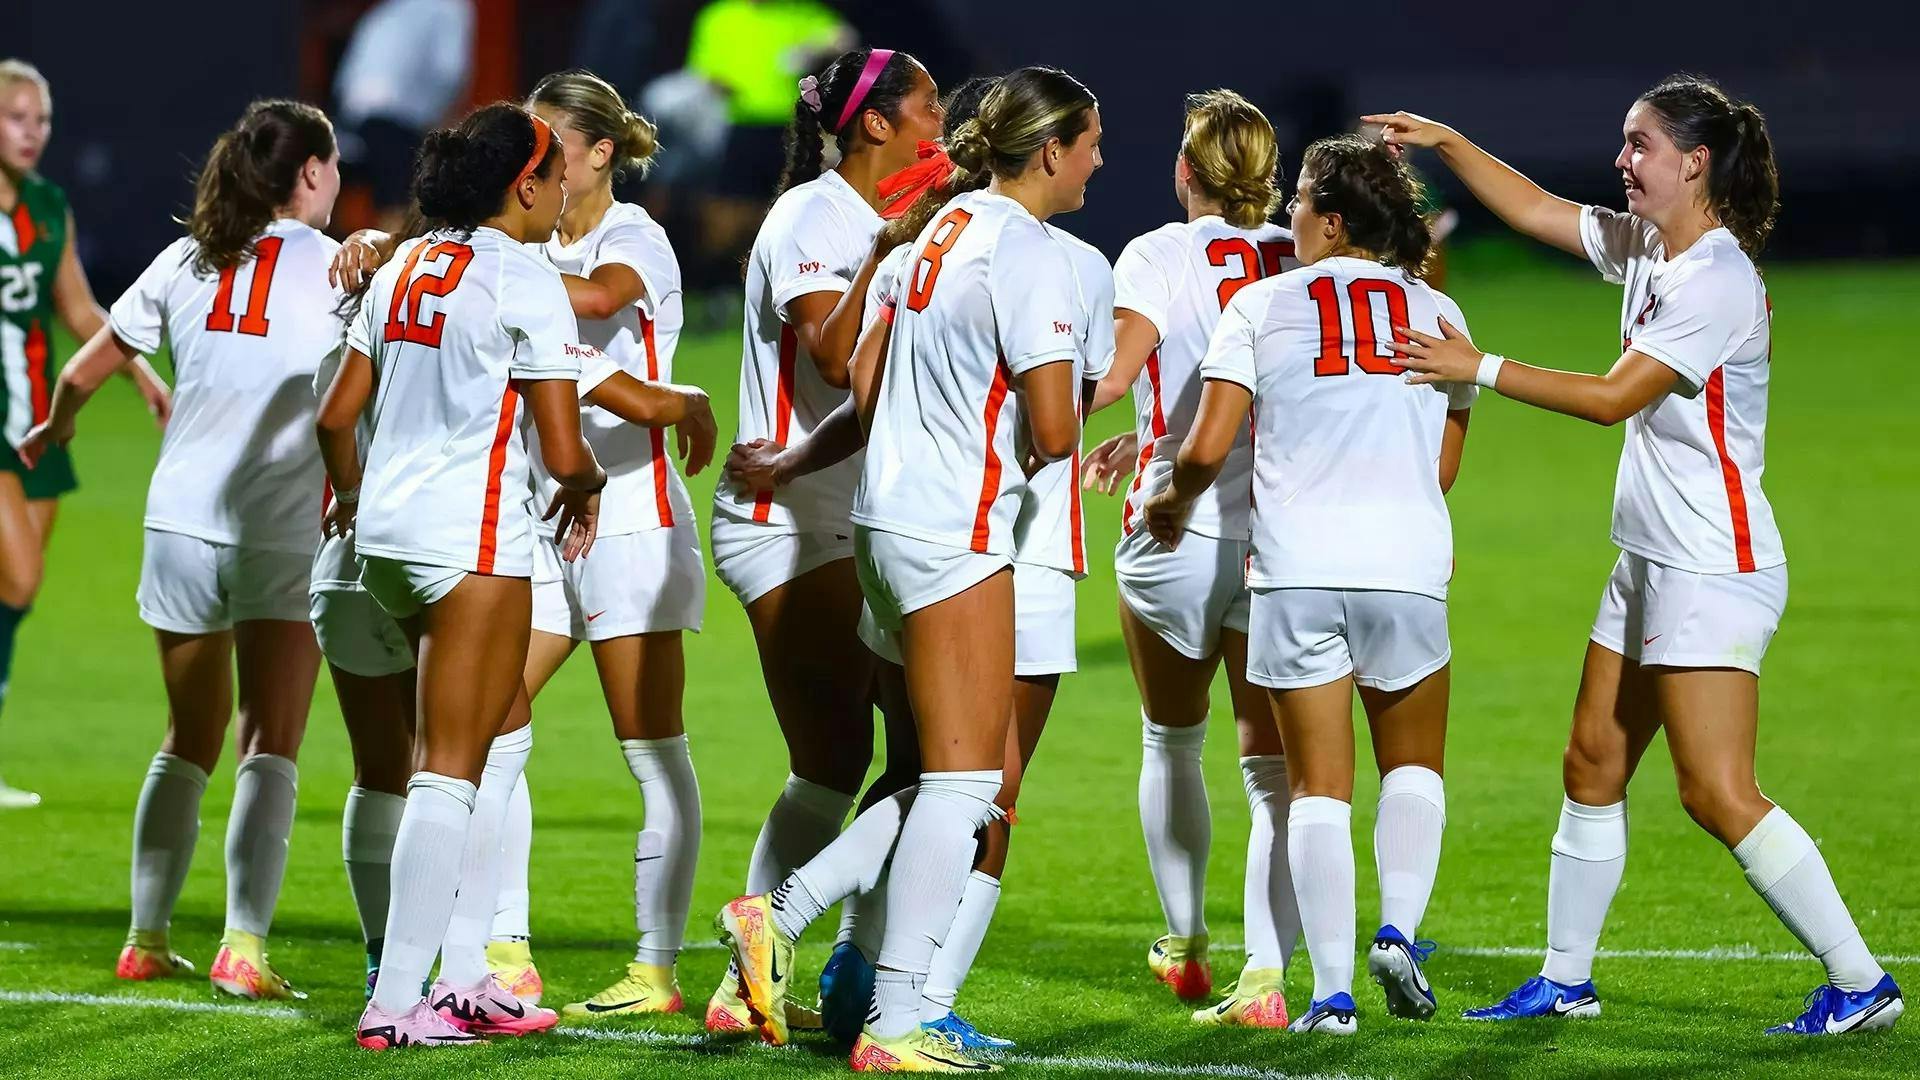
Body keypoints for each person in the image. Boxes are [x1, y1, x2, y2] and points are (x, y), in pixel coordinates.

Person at [1370, 75, 1904, 1036]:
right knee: (1592, 764)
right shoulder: (1654, 248)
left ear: (1694, 161)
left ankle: (1862, 982)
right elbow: (1536, 207)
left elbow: (1616, 396)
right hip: (1651, 559)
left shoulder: (1718, 279)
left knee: (1715, 790)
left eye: (1640, 144)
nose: (1623, 161)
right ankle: (1566, 982)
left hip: (1711, 563)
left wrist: (1474, 367)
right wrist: (1449, 143)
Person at [715, 65, 1099, 1073]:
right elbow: (1056, 430)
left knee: (932, 769)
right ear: (1050, 151)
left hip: (879, 530)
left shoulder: (921, 235)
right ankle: (895, 1022)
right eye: (1090, 142)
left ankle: (782, 912)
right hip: (955, 533)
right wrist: (1042, 414)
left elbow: (867, 389)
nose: (1099, 161)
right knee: (969, 784)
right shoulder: (1027, 252)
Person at [1143, 133, 1476, 1036]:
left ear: (1331, 222)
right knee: (1413, 769)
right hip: (1406, 570)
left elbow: (1208, 449)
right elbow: (1442, 468)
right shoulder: (1440, 317)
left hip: (1293, 576)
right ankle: (1398, 932)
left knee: (1317, 787)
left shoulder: (1260, 306)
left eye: (1297, 206)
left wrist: (1171, 503)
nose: (1285, 218)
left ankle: (1330, 995)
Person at [20, 100, 338, 998]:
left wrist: (55, 423)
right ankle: (243, 945)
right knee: (270, 740)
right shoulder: (340, 266)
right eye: (335, 163)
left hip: (178, 524)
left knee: (187, 737)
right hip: (278, 526)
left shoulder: (192, 255)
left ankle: (146, 936)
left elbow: (94, 358)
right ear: (311, 173)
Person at [321, 102, 605, 1050]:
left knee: (500, 739)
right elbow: (565, 452)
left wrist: (358, 496)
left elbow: (335, 418)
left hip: (387, 538)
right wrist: (590, 482)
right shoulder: (526, 277)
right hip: (470, 543)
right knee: (448, 768)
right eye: (556, 172)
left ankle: (469, 975)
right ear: (524, 185)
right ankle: (399, 1003)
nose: (566, 186)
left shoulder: (403, 261)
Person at [704, 44, 942, 1034]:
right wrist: (893, 251)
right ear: (876, 123)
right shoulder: (815, 216)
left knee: (901, 756)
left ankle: (785, 978)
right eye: (928, 107)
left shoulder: (889, 217)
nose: (943, 123)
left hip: (851, 517)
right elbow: (842, 360)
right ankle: (773, 966)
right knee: (857, 761)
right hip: (790, 520)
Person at [1079, 88, 1302, 1024]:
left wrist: (1042, 418)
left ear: (1186, 171)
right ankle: (1266, 974)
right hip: (1278, 535)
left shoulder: (1156, 253)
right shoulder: (1302, 255)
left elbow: (1121, 373)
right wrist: (1153, 431)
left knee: (1171, 739)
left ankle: (1185, 941)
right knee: (1273, 767)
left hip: (1173, 530)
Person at [511, 69, 718, 1019]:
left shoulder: (636, 237)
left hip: (632, 512)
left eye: (551, 138)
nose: (535, 154)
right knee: (490, 721)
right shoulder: (521, 239)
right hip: (543, 512)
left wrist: (491, 256)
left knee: (651, 749)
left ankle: (656, 968)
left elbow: (596, 302)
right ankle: (502, 946)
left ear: (599, 151)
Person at [0, 59, 170, 808]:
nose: (32, 133)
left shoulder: (47, 205)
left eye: (41, 120)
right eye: (16, 118)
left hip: (38, 420)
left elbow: (76, 309)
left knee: (13, 598)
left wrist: (137, 372)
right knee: (20, 574)